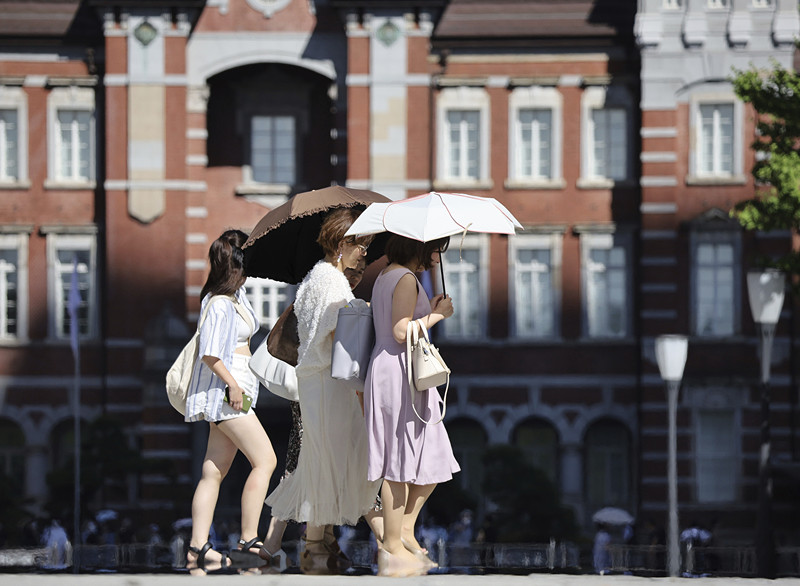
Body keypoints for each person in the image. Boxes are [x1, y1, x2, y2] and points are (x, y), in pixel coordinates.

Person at [265, 209, 382, 575]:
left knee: (322, 465)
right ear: (340, 243)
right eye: (359, 245)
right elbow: (336, 334)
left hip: (315, 381)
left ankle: (315, 549)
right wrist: (360, 309)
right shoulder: (332, 282)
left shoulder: (316, 278)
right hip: (330, 383)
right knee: (350, 461)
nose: (363, 252)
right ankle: (392, 543)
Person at [363, 234, 460, 577]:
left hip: (399, 371)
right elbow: (401, 330)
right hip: (399, 372)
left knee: (430, 451)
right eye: (435, 249)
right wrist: (437, 316)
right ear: (418, 247)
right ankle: (392, 542)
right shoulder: (403, 277)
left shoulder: (390, 275)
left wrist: (427, 308)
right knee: (398, 458)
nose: (436, 258)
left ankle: (403, 530)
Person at [184, 229, 278, 574]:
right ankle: (248, 540)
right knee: (265, 460)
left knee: (213, 472)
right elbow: (211, 353)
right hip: (228, 393)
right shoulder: (220, 303)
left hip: (234, 391)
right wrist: (233, 385)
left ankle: (198, 547)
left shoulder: (234, 299)